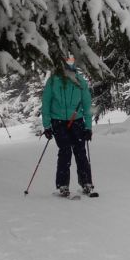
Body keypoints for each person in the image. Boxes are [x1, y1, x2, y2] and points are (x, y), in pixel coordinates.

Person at [41, 55, 94, 197]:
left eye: (72, 62)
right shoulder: (53, 81)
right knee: (65, 151)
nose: (70, 65)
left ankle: (86, 183)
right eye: (67, 62)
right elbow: (45, 104)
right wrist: (46, 125)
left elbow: (87, 105)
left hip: (76, 121)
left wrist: (88, 127)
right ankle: (63, 185)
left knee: (80, 151)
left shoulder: (80, 81)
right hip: (58, 122)